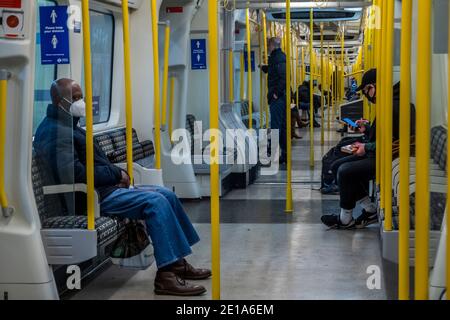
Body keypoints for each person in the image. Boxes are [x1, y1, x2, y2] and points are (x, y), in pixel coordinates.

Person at [33, 79, 211, 296]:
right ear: (59, 101)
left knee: (166, 195)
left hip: (104, 188)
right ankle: (165, 276)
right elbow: (74, 174)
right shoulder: (55, 133)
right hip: (91, 197)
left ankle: (176, 263)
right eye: (76, 98)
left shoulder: (70, 125)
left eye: (82, 97)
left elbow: (92, 165)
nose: (81, 102)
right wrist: (116, 174)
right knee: (155, 202)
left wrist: (117, 175)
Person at [321, 69, 416, 229]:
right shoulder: (390, 102)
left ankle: (346, 218)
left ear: (376, 86)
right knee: (337, 165)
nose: (366, 95)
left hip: (388, 156)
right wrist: (367, 129)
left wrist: (366, 147)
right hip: (381, 152)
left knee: (345, 171)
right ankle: (369, 209)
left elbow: (392, 142)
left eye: (367, 90)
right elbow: (383, 135)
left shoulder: (394, 106)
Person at [260, 37, 287, 163]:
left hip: (278, 98)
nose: (267, 48)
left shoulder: (278, 58)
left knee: (276, 126)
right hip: (280, 97)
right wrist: (264, 67)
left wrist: (276, 93)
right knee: (281, 126)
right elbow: (274, 72)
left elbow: (283, 77)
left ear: (272, 45)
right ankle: (283, 153)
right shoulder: (277, 58)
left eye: (268, 46)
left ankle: (274, 153)